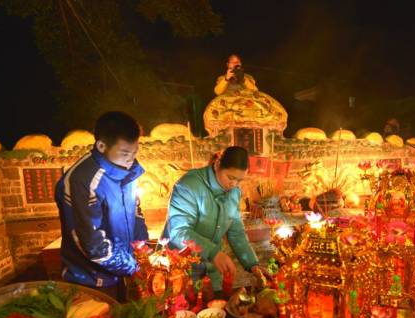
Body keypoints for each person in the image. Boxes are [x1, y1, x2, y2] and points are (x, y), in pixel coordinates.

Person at [55, 111, 148, 299]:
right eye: (124, 153)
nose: (131, 159)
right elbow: (91, 242)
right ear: (102, 145)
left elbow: (136, 214)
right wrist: (132, 266)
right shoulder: (83, 180)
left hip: (123, 271)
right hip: (91, 281)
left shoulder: (128, 172)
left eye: (134, 152)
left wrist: (142, 251)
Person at [161, 146, 269, 293]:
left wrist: (252, 264)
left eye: (239, 180)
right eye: (230, 177)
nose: (234, 184)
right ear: (217, 164)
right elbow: (179, 232)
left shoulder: (234, 192)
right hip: (182, 269)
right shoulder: (189, 186)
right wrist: (213, 253)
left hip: (211, 271)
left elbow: (236, 232)